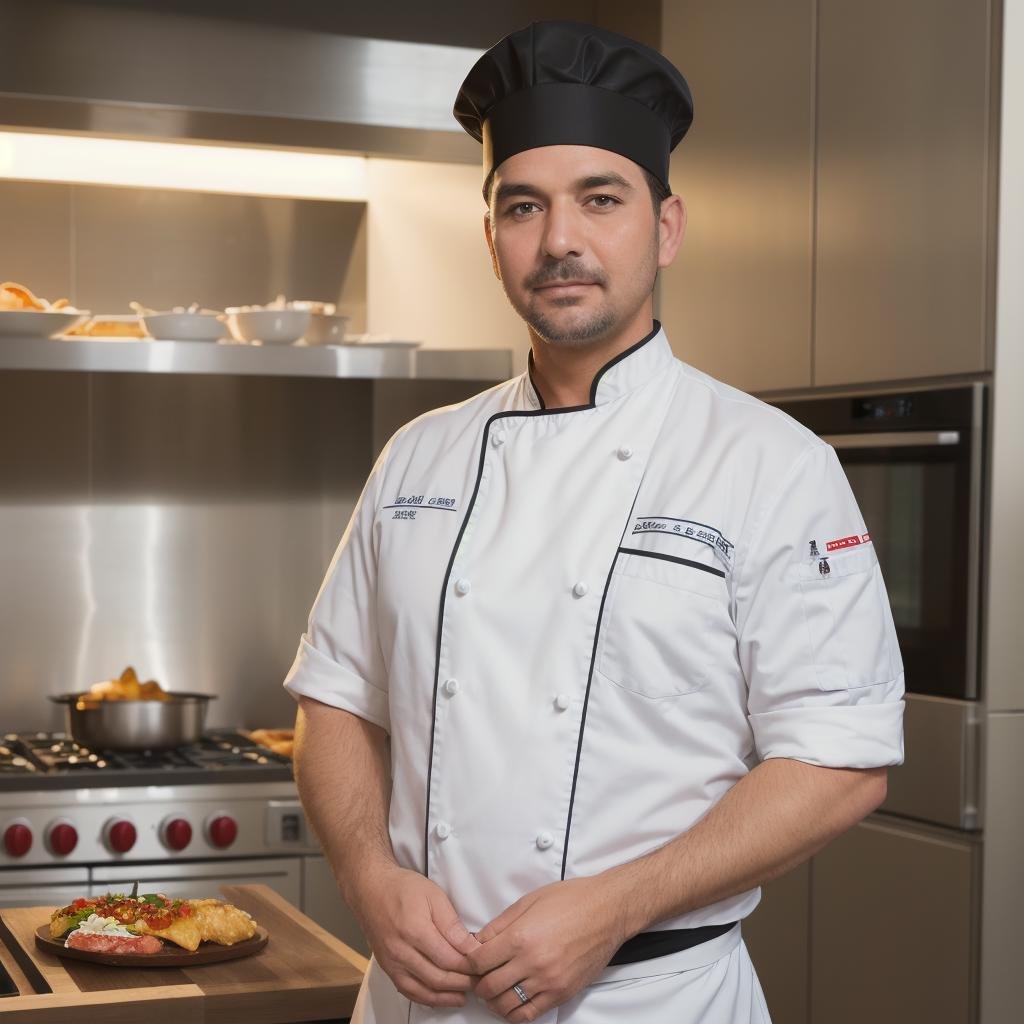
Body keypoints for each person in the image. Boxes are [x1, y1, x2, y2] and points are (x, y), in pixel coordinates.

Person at [284, 20, 905, 1024]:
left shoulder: (769, 463)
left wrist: (613, 907)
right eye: (522, 206)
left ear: (665, 229)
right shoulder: (419, 455)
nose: (559, 239)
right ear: (491, 240)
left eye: (599, 200)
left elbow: (838, 760)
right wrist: (366, 875)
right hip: (417, 999)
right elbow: (335, 702)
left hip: (650, 997)